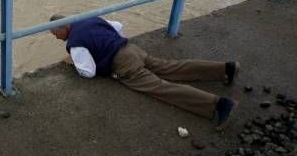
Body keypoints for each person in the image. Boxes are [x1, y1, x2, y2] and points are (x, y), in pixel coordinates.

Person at [48, 14, 239, 130]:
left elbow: (88, 72)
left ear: (64, 27)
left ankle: (219, 105)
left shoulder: (74, 43)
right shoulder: (89, 18)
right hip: (133, 50)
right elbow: (117, 26)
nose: (56, 39)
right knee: (173, 67)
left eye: (55, 34)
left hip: (123, 65)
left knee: (162, 88)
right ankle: (224, 68)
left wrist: (74, 62)